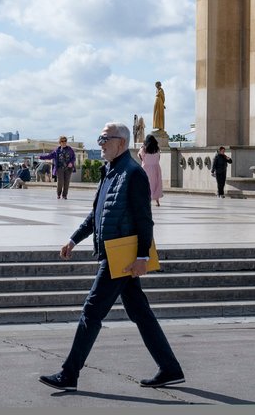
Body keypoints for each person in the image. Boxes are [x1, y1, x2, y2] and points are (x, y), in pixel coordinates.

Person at [39, 121, 183, 393]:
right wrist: (73, 240)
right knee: (140, 313)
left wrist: (142, 256)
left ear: (122, 143)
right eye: (100, 138)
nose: (101, 144)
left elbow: (145, 220)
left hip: (121, 257)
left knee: (91, 312)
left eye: (105, 139)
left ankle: (69, 374)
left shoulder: (133, 173)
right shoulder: (109, 172)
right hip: (112, 253)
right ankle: (170, 368)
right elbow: (96, 216)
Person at [140, 133, 164, 207]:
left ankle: (147, 200)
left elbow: (141, 157)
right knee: (156, 184)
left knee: (146, 184)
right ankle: (157, 201)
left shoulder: (144, 148)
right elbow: (158, 158)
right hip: (156, 167)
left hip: (146, 167)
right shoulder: (157, 148)